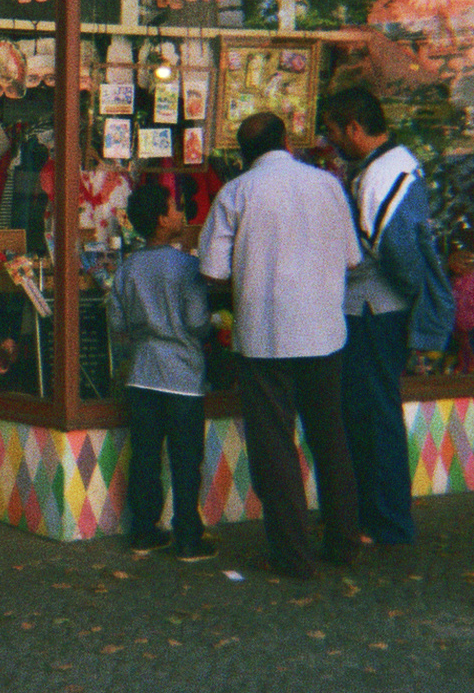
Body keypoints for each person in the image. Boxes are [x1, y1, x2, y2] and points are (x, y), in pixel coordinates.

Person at [195, 112, 362, 578]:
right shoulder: (328, 185)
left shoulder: (237, 192)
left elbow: (212, 271)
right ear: (287, 141)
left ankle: (293, 553)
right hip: (325, 333)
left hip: (266, 338)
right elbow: (351, 258)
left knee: (275, 447)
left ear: (242, 153)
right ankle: (344, 540)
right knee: (331, 438)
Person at [321, 88, 455, 547]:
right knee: (368, 413)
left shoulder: (384, 175)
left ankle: (388, 521)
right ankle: (377, 516)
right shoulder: (390, 166)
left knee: (374, 415)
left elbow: (399, 254)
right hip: (374, 311)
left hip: (374, 313)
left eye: (335, 131)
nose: (331, 140)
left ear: (355, 129)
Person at [108, 181, 216, 561]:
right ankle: (188, 536)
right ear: (160, 220)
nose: (180, 214)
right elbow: (198, 321)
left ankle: (144, 531)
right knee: (186, 459)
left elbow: (117, 323)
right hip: (183, 376)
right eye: (175, 208)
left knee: (146, 457)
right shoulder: (187, 267)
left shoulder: (127, 269)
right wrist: (214, 324)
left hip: (141, 374)